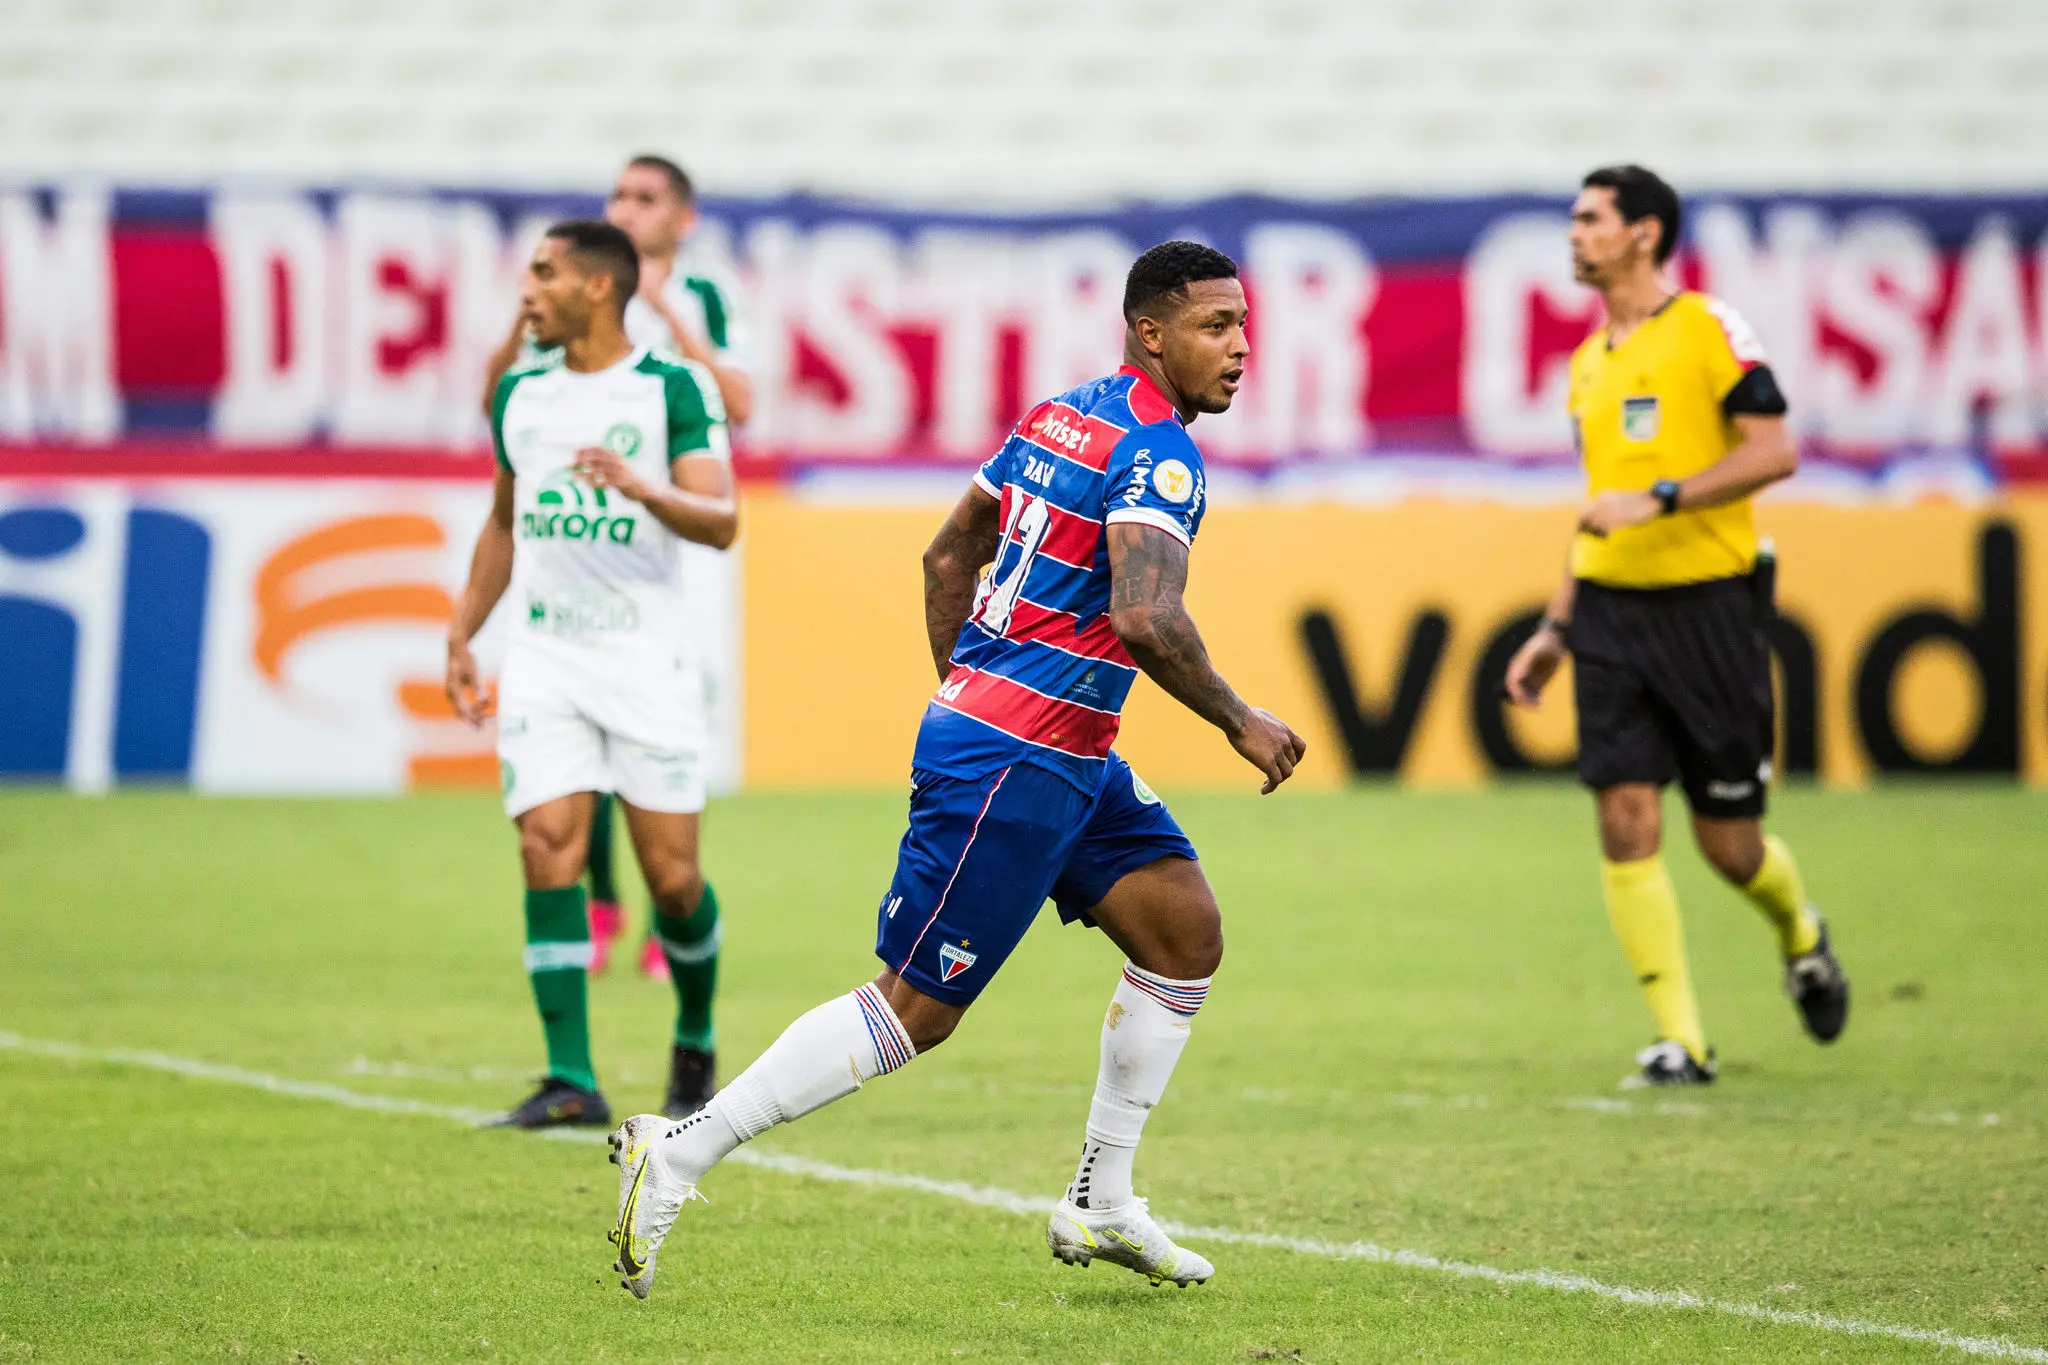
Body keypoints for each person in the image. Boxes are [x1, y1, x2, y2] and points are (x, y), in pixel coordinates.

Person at [604, 241, 1307, 1299]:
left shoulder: (1057, 415)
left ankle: (1102, 1199)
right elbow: (1143, 616)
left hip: (1057, 750)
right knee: (914, 1010)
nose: (1238, 349)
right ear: (1149, 332)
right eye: (1215, 328)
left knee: (1182, 934)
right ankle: (684, 1149)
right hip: (1020, 756)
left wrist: (970, 688)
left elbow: (946, 556)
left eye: (1242, 327)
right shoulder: (1159, 453)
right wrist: (1237, 720)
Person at [1505, 165, 1850, 1087]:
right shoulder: (1588, 362)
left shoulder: (1708, 328)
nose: (1574, 234)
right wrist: (1555, 628)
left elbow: (1773, 450)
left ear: (1645, 233)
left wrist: (1660, 498)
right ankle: (1682, 1041)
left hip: (1710, 605)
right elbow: (1595, 510)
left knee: (1729, 844)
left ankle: (1801, 932)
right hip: (1611, 613)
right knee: (1623, 814)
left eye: (1591, 220)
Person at [448, 220, 739, 1128]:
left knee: (674, 882)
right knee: (547, 845)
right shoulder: (520, 397)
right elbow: (505, 522)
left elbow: (721, 519)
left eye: (544, 273)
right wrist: (463, 633)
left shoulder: (669, 389)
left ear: (598, 287)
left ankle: (695, 1037)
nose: (526, 289)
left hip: (644, 659)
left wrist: (642, 487)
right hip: (544, 656)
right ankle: (569, 1075)